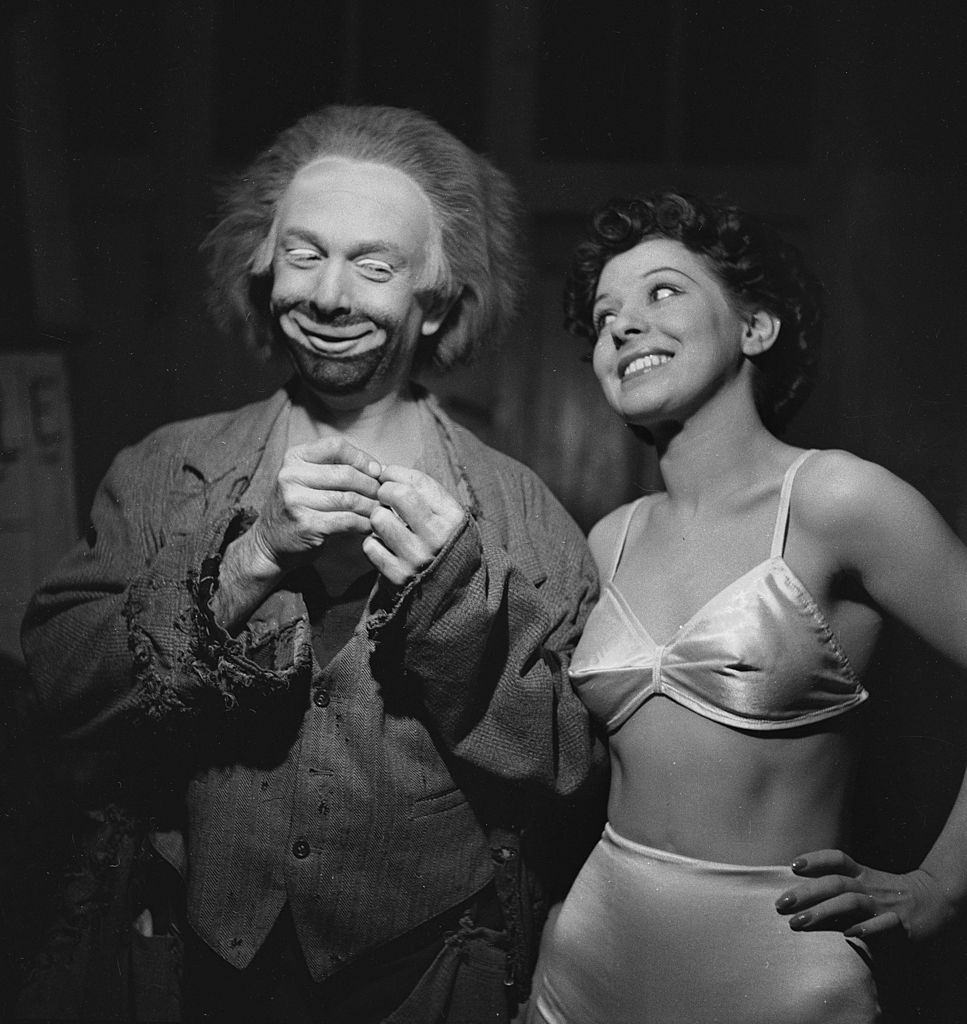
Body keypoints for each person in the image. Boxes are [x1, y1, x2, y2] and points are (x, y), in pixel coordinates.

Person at [18, 104, 604, 1024]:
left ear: (438, 299)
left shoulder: (517, 506)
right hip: (189, 969)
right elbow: (61, 686)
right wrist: (247, 562)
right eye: (305, 254)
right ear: (263, 267)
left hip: (425, 977)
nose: (329, 296)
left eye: (374, 265)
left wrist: (452, 599)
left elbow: (572, 764)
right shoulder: (169, 467)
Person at [526, 191, 967, 1023]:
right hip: (588, 957)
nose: (622, 325)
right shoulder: (606, 538)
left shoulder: (839, 499)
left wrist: (940, 887)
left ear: (755, 328)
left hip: (776, 975)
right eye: (604, 314)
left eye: (662, 292)